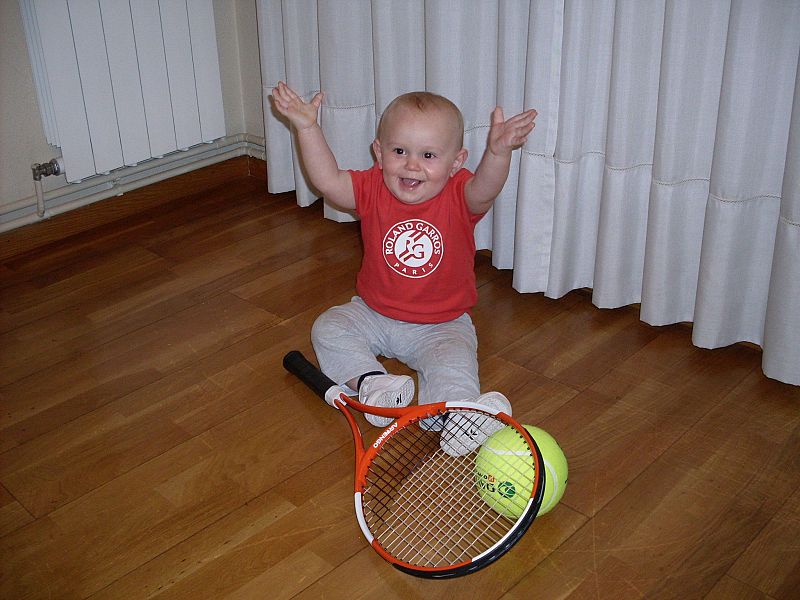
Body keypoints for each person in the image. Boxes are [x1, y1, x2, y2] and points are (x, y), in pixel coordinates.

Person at [271, 81, 536, 453]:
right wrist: (307, 128)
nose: (412, 164)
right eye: (400, 151)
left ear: (456, 162)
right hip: (373, 312)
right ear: (379, 153)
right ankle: (374, 385)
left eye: (429, 155)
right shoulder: (371, 188)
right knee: (329, 327)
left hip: (442, 324)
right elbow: (328, 182)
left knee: (454, 366)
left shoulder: (460, 194)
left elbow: (487, 189)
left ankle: (458, 414)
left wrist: (499, 152)